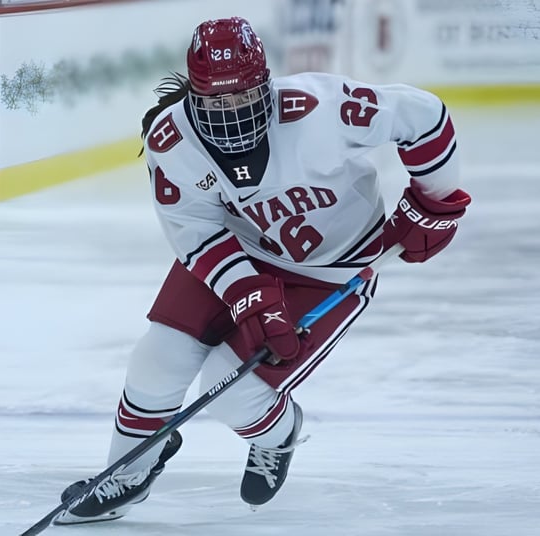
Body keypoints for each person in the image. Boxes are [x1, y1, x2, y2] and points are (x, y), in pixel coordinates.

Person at [54, 16, 471, 525]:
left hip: (331, 270)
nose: (231, 117)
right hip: (239, 250)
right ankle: (128, 472)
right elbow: (196, 232)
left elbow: (423, 116)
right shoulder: (172, 141)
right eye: (216, 104)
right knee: (156, 360)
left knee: (233, 393)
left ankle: (281, 433)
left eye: (244, 99)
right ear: (193, 96)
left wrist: (435, 199)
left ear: (267, 85)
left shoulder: (321, 109)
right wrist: (247, 291)